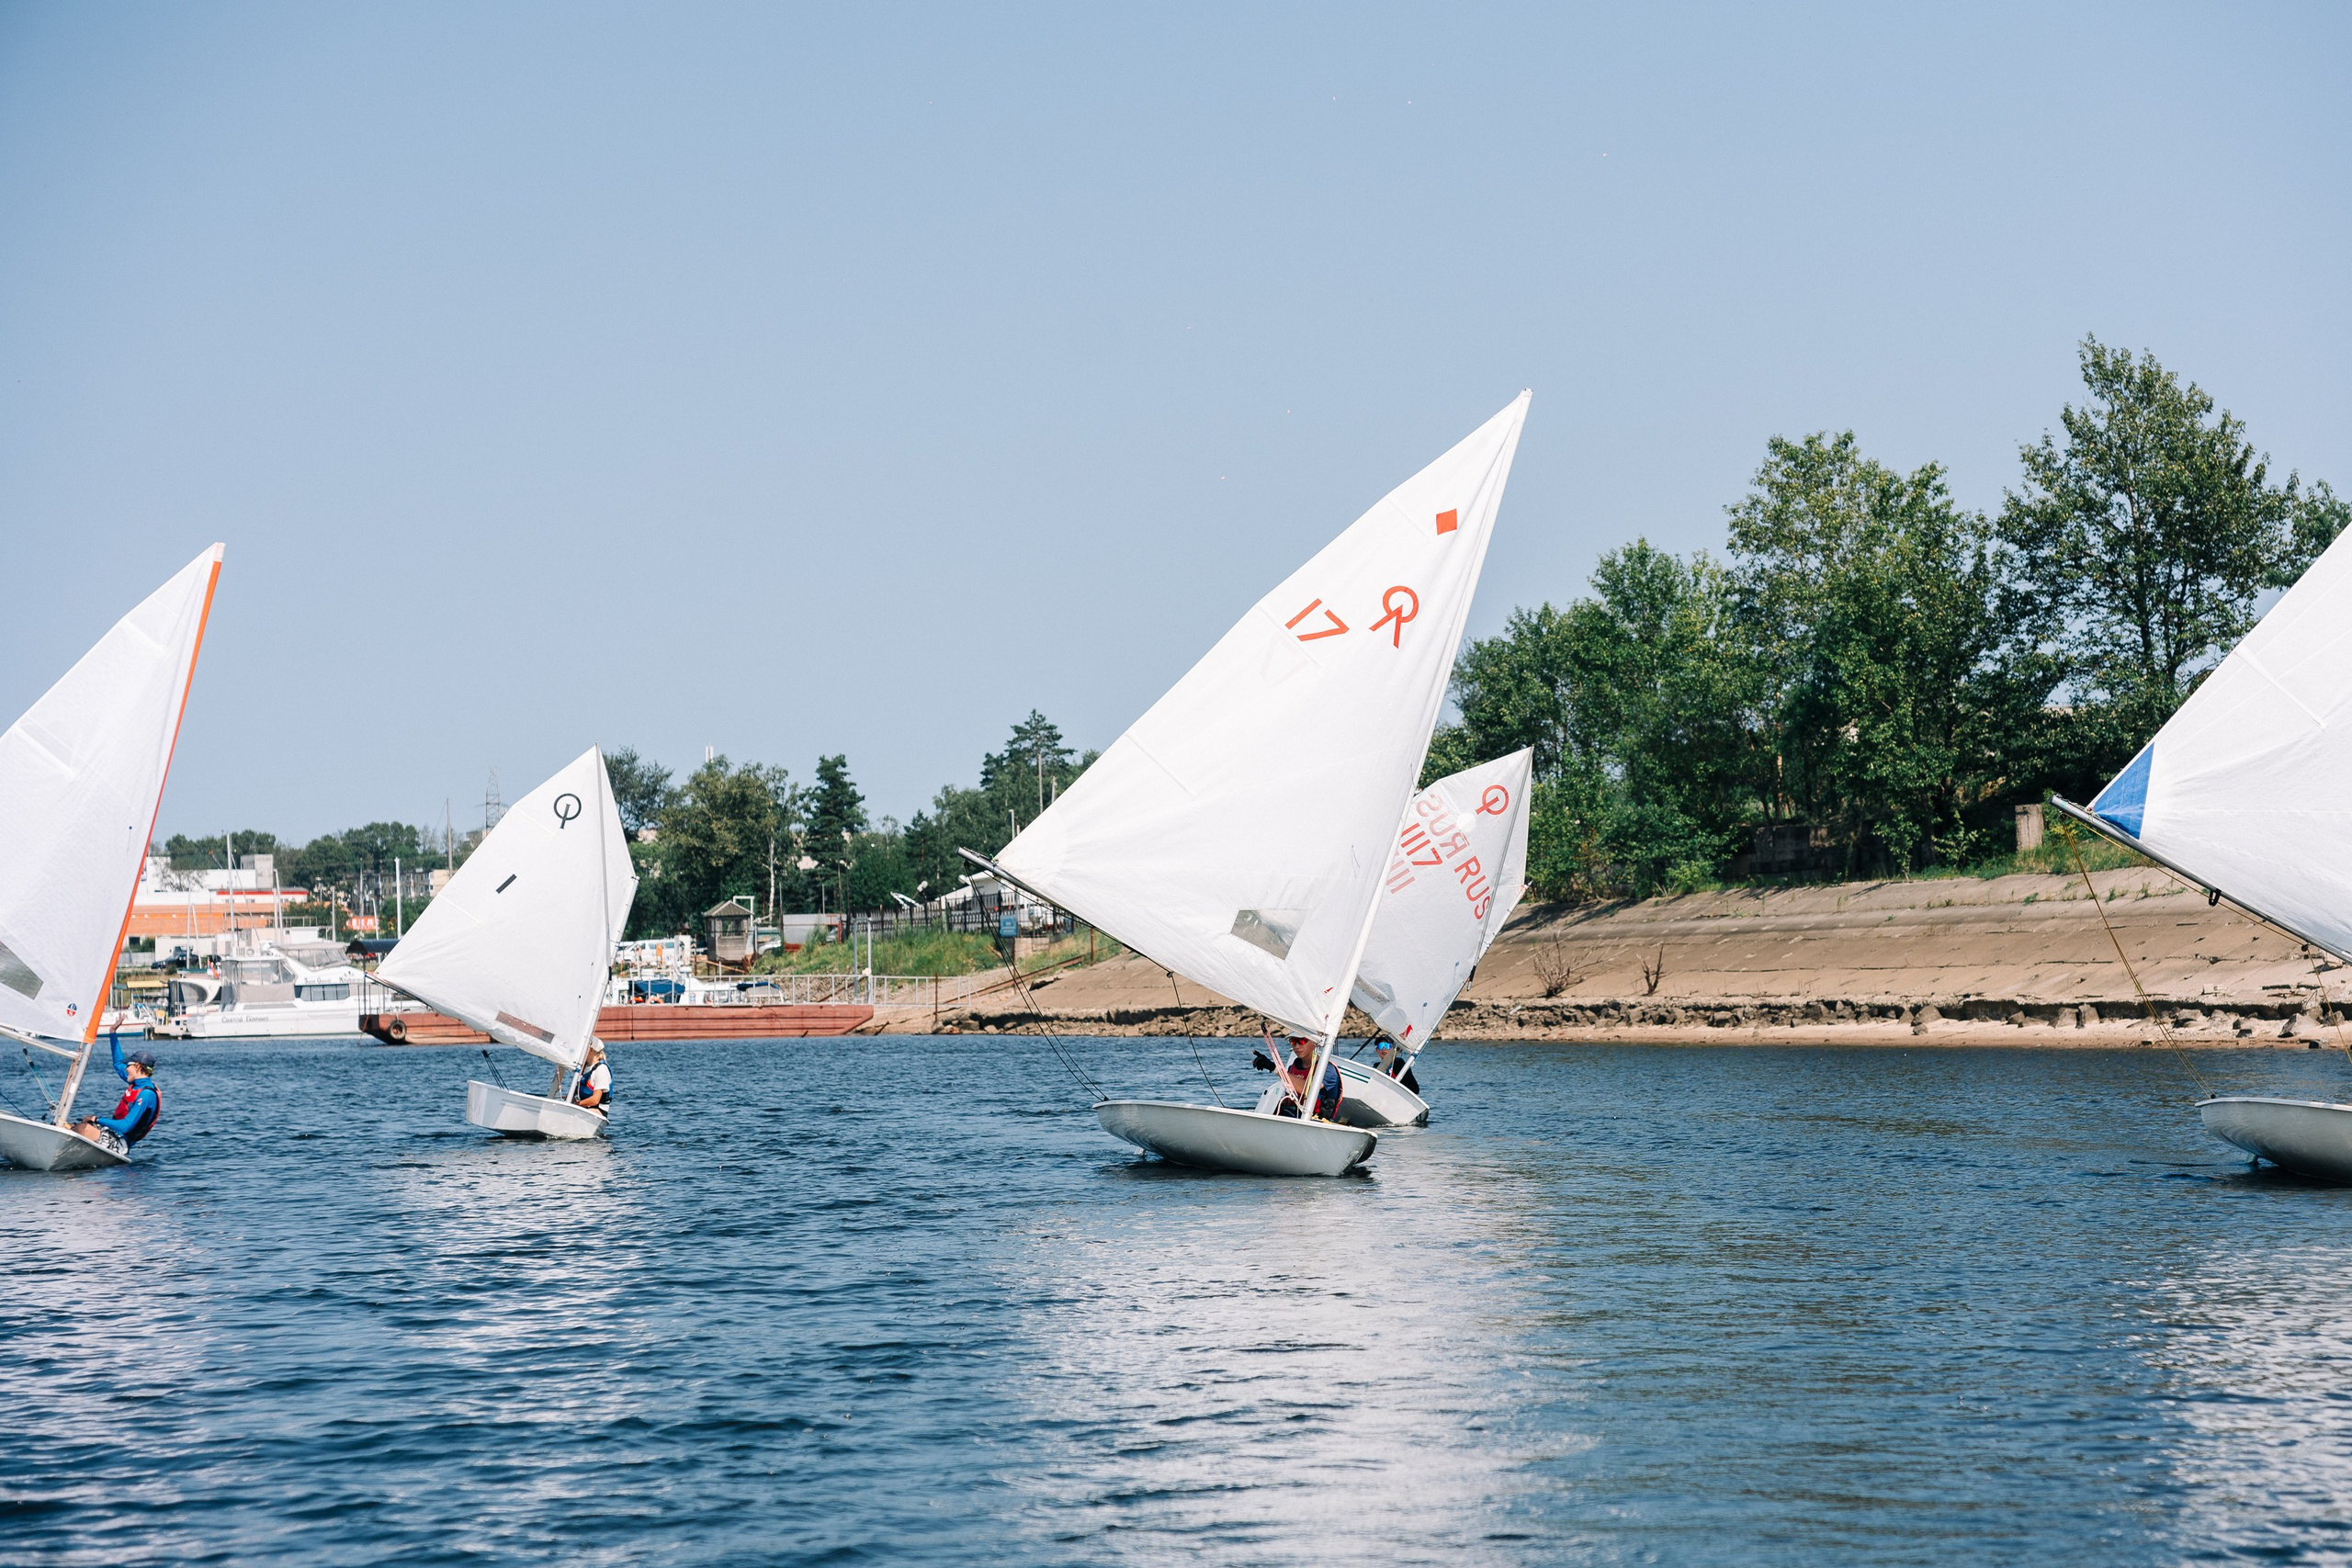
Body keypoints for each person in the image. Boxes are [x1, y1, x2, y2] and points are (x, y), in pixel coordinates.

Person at [70, 1036, 161, 1157]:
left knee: (84, 1129)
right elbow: (118, 1063)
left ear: (138, 1067)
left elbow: (126, 1126)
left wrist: (97, 1119)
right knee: (71, 1125)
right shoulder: (136, 1083)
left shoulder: (147, 1094)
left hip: (120, 1144)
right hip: (112, 1134)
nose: (126, 1069)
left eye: (128, 1065)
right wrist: (112, 1033)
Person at [1280, 1032, 1342, 1122]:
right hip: (1293, 1116)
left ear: (1314, 1042)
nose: (1297, 1046)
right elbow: (1288, 1097)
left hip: (1317, 1121)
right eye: (1293, 1042)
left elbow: (1308, 1090)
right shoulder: (1292, 1068)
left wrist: (1276, 1070)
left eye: (1301, 1041)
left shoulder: (1327, 1070)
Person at [571, 1041, 612, 1115]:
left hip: (597, 1110)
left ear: (590, 1050)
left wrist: (576, 1104)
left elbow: (595, 1100)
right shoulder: (583, 1068)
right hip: (582, 1107)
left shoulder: (601, 1069)